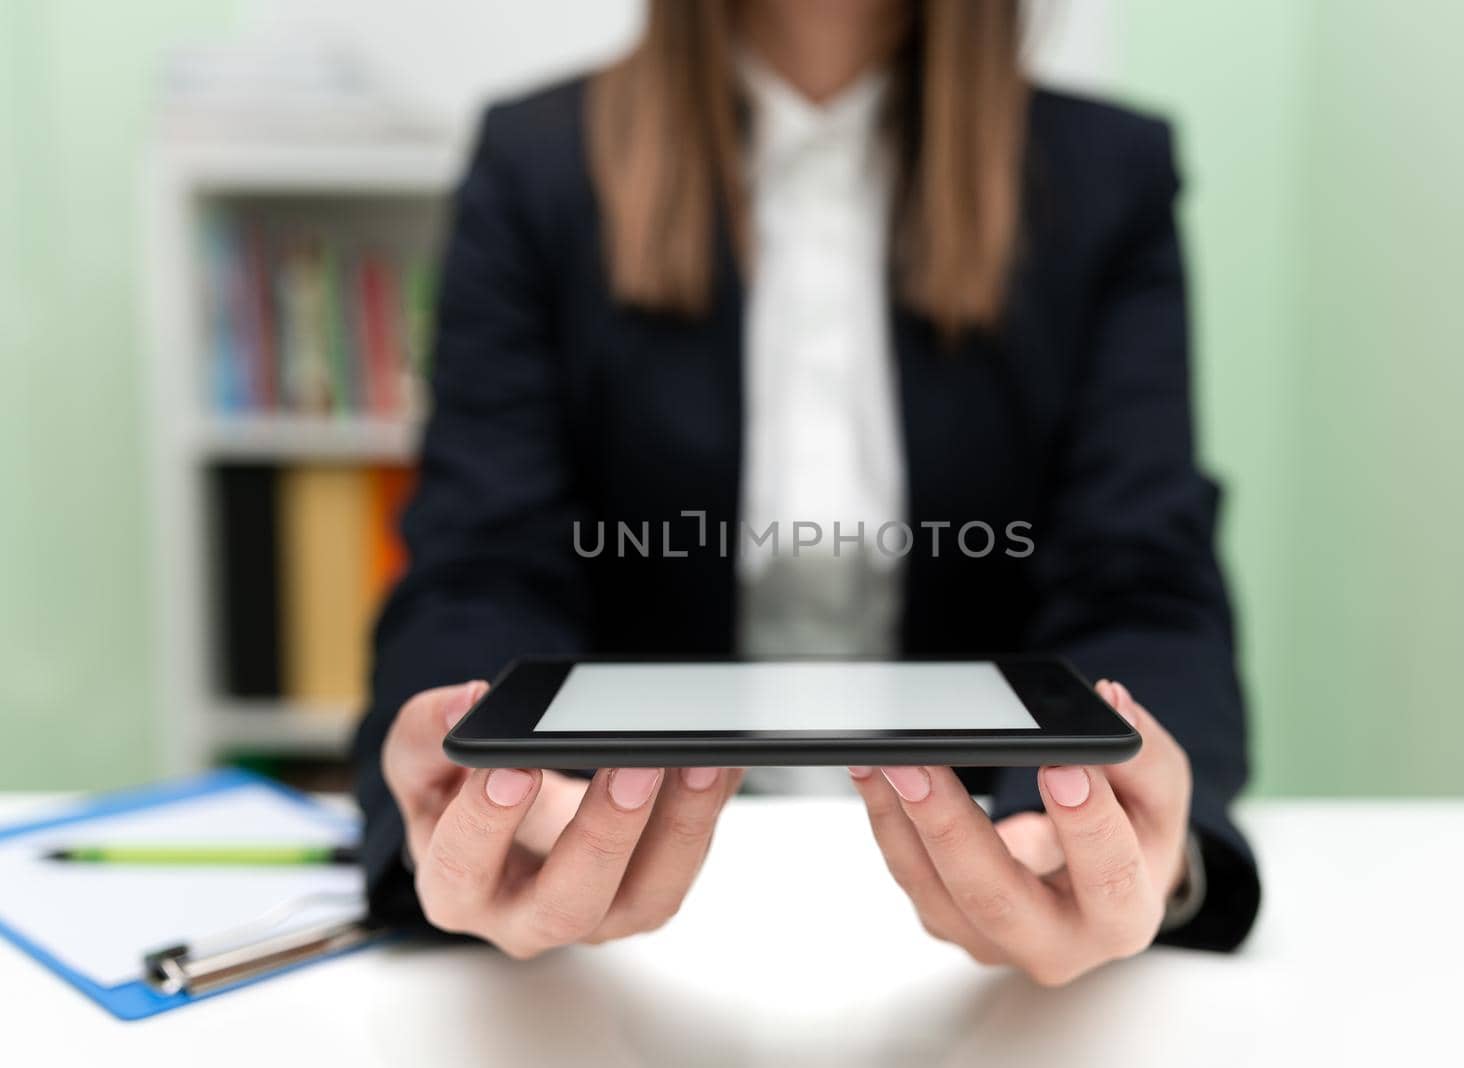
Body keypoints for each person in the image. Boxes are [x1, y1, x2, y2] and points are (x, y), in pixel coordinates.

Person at [353, 0, 1261, 985]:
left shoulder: (1104, 175)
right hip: (636, 936)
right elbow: (479, 567)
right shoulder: (535, 164)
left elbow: (1141, 585)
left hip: (982, 915)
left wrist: (1136, 843)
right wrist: (464, 812)